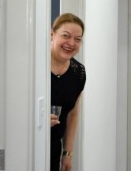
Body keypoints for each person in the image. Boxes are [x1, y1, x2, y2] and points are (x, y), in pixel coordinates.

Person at [50, 13, 86, 171]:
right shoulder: (35, 64)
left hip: (54, 148)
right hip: (27, 145)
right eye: (66, 36)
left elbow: (73, 114)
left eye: (77, 39)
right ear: (52, 35)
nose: (71, 43)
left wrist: (67, 153)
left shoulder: (78, 72)